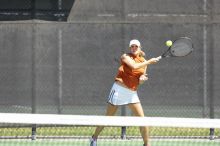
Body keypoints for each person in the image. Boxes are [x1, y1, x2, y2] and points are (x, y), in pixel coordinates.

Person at [90, 39, 159, 146]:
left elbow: (140, 80)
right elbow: (134, 66)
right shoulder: (125, 56)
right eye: (132, 46)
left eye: (136, 46)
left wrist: (142, 80)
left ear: (140, 48)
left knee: (143, 121)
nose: (134, 48)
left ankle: (147, 144)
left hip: (131, 94)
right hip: (118, 90)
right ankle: (94, 138)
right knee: (108, 118)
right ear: (130, 48)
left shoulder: (144, 62)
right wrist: (150, 61)